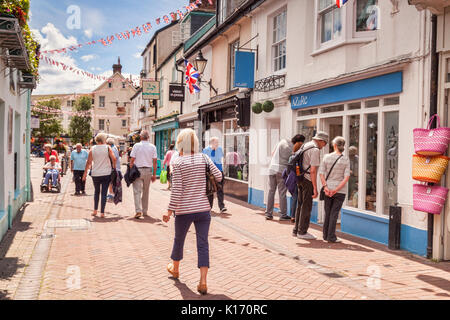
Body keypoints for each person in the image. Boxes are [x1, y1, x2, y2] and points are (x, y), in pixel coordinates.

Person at [163, 129, 222, 295]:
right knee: (203, 244)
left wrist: (169, 210)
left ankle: (175, 269)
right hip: (203, 209)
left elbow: (177, 190)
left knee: (179, 239)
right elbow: (218, 176)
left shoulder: (179, 163)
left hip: (184, 210)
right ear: (195, 143)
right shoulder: (204, 158)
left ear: (181, 144)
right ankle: (203, 281)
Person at [293, 131, 328, 239]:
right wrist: (315, 187)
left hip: (299, 177)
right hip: (307, 179)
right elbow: (313, 170)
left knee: (300, 204)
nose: (324, 146)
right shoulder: (315, 149)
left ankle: (296, 230)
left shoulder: (305, 145)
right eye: (325, 143)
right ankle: (302, 231)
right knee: (307, 206)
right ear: (321, 141)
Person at [266, 135, 305, 221]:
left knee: (271, 191)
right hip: (281, 169)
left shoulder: (282, 141)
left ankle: (268, 214)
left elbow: (272, 153)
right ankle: (283, 214)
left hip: (272, 168)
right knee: (282, 192)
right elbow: (292, 160)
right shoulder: (291, 148)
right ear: (299, 142)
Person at [319, 137, 350, 243]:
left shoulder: (326, 157)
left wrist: (326, 187)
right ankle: (331, 236)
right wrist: (336, 190)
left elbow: (321, 173)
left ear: (334, 145)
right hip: (340, 191)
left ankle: (325, 235)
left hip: (328, 189)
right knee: (334, 213)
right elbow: (346, 177)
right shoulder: (345, 159)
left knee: (328, 212)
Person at [82, 133, 116, 218]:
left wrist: (85, 173)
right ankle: (102, 213)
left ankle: (95, 210)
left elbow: (89, 162)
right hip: (106, 173)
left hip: (96, 173)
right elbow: (114, 159)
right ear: (104, 139)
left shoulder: (92, 148)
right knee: (104, 193)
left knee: (96, 192)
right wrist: (113, 168)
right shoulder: (107, 147)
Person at [130, 130, 158, 219]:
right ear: (148, 137)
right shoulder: (153, 147)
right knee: (146, 191)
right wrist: (154, 175)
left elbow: (132, 159)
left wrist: (130, 169)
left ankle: (138, 211)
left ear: (141, 137)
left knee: (137, 191)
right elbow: (155, 162)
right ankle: (145, 211)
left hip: (138, 170)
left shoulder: (136, 146)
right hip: (148, 171)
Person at [203, 137, 227, 213]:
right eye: (216, 142)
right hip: (210, 173)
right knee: (210, 190)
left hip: (219, 171)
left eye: (218, 142)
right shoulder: (205, 150)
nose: (217, 144)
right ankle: (209, 207)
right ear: (212, 143)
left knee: (220, 189)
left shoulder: (220, 149)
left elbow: (222, 159)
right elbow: (204, 161)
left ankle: (222, 207)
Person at [287, 135, 306, 221]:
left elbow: (288, 169)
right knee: (298, 198)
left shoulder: (291, 157)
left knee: (294, 197)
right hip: (299, 178)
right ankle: (297, 215)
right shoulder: (301, 156)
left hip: (292, 179)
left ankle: (293, 216)